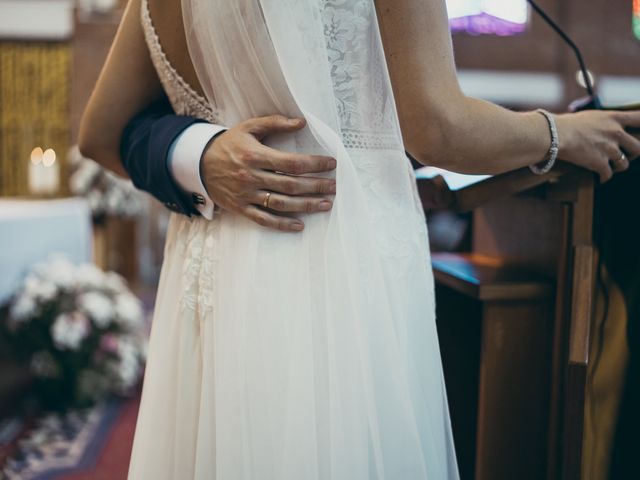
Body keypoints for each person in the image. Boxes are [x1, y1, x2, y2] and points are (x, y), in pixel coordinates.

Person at [79, 0, 640, 478]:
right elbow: (439, 127)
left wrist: (197, 153)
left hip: (212, 271)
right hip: (338, 269)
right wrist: (558, 132)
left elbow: (101, 131)